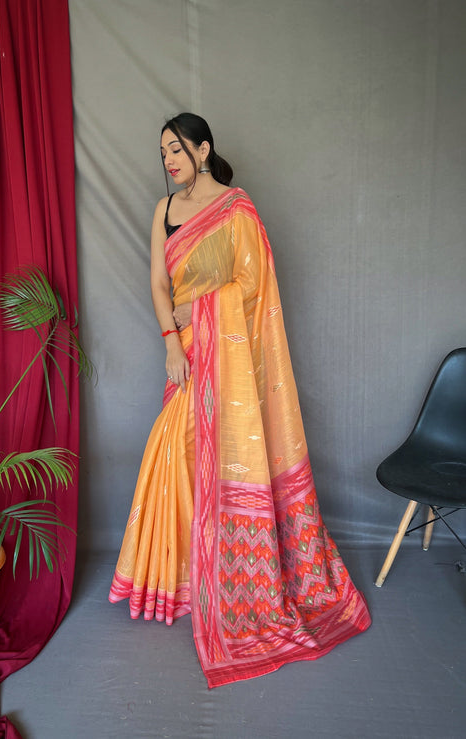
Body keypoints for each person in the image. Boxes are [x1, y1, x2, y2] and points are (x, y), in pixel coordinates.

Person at [109, 113, 371, 688]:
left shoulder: (236, 208)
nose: (169, 161)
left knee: (211, 459)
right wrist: (171, 343)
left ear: (203, 149)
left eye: (176, 149)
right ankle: (173, 581)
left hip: (227, 353)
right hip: (188, 354)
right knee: (174, 454)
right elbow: (158, 283)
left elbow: (252, 287)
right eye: (162, 154)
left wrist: (201, 315)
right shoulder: (164, 210)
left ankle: (226, 579)